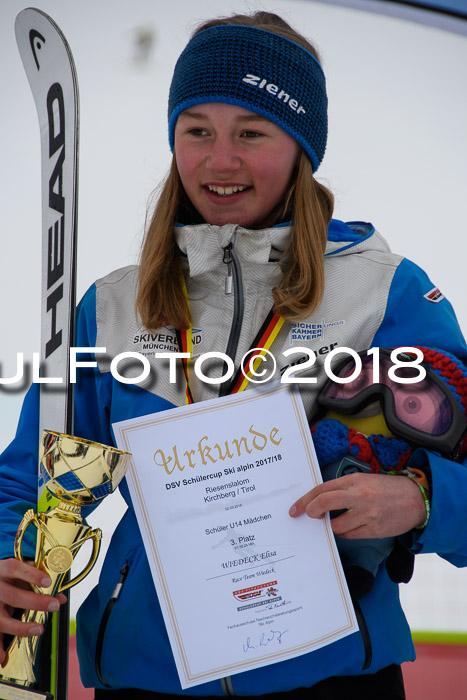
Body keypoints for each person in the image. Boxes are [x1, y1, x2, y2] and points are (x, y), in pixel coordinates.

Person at [1, 10, 467, 700]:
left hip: (327, 674)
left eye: (251, 132)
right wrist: (9, 561)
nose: (220, 161)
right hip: (148, 677)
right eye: (197, 132)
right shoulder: (112, 307)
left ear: (300, 146)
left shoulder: (383, 290)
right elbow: (40, 482)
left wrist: (420, 501)